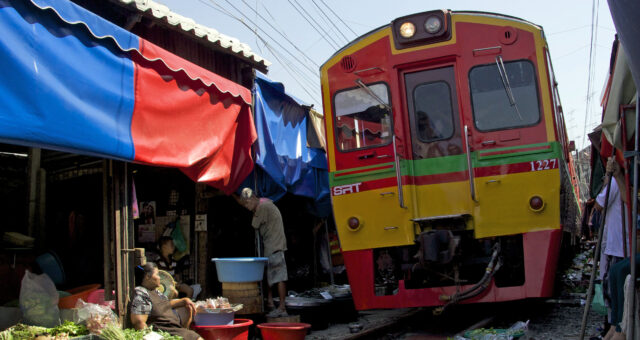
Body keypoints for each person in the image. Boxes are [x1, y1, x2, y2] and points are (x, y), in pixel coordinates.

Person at [238, 188, 289, 318]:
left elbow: (254, 224)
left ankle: (282, 307)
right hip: (274, 246)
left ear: (252, 199)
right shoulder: (267, 203)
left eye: (247, 204)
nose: (247, 207)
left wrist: (254, 212)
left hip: (274, 247)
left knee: (279, 278)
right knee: (271, 277)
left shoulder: (262, 207)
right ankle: (271, 303)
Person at [595, 157, 628, 340]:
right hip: (618, 243)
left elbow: (600, 204)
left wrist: (607, 181)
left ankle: (614, 327)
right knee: (613, 288)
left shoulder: (615, 182)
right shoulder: (619, 182)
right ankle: (613, 326)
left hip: (617, 245)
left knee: (612, 289)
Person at [130, 263, 202, 340]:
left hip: (174, 328)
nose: (159, 278)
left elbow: (163, 305)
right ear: (148, 277)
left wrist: (184, 301)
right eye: (157, 274)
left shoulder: (155, 292)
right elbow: (139, 322)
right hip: (165, 331)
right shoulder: (141, 293)